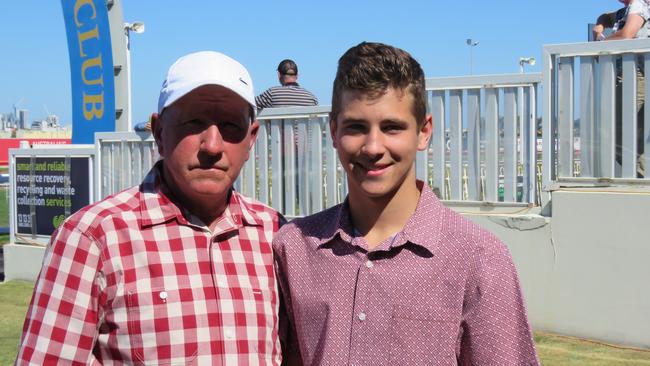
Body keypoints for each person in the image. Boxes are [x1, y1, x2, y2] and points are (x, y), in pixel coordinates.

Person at [273, 42, 540, 365]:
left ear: (424, 131)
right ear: (333, 130)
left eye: (392, 127)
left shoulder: (478, 259)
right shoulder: (294, 248)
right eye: (356, 127)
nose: (373, 147)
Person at [16, 51, 284, 365]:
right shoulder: (93, 237)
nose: (212, 145)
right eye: (193, 123)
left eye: (230, 126)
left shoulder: (275, 233)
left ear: (251, 139)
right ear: (158, 132)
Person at [595, 0, 648, 177]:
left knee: (626, 135)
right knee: (623, 135)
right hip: (627, 75)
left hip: (637, 74)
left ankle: (641, 181)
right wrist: (600, 26)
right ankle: (639, 179)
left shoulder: (639, 5)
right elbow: (604, 17)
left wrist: (601, 44)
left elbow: (627, 34)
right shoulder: (625, 11)